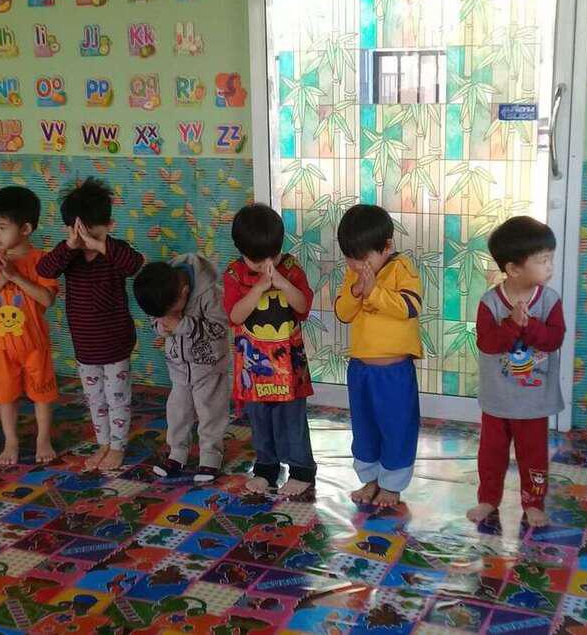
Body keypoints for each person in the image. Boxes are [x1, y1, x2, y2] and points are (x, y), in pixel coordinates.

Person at [37, 178, 144, 470]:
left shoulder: (115, 251)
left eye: (92, 234)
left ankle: (118, 446)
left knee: (117, 398)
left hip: (116, 342)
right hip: (85, 346)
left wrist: (101, 244)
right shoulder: (68, 255)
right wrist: (69, 246)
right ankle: (104, 443)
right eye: (78, 232)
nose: (85, 240)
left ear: (109, 226)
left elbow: (135, 265)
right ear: (69, 229)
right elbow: (44, 269)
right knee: (95, 399)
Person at [466, 216, 565, 528]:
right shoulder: (489, 303)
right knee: (491, 454)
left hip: (534, 402)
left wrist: (529, 325)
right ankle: (488, 499)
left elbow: (554, 339)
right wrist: (511, 324)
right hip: (497, 400)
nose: (550, 267)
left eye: (550, 259)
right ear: (513, 269)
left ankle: (533, 502)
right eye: (543, 260)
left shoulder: (549, 300)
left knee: (533, 456)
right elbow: (487, 343)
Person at [223, 203, 316, 497]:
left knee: (292, 418)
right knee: (260, 419)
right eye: (257, 261)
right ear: (241, 251)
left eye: (272, 257)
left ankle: (302, 469)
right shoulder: (235, 274)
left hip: (288, 365)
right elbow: (235, 316)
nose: (266, 265)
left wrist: (282, 283)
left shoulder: (290, 268)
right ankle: (266, 468)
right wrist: (258, 288)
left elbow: (302, 307)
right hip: (254, 367)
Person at [334, 204, 423, 508]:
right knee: (364, 428)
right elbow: (343, 313)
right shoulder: (353, 274)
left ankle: (392, 485)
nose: (356, 265)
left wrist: (374, 292)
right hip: (360, 370)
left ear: (387, 246)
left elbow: (409, 307)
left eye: (363, 258)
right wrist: (356, 291)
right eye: (350, 258)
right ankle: (370, 479)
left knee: (396, 427)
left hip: (394, 372)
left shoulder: (402, 268)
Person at [0, 187, 59, 465]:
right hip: (2, 348)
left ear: (25, 229)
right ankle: (11, 440)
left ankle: (43, 439)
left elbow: (47, 299)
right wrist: (1, 279)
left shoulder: (42, 260)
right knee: (5, 396)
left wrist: (16, 276)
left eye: (2, 227)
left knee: (42, 394)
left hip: (35, 345)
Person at [133, 256, 230, 483]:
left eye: (170, 311)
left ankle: (210, 457)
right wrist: (161, 327)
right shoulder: (160, 291)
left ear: (184, 293)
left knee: (211, 412)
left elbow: (221, 327)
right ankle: (177, 453)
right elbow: (156, 318)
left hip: (209, 368)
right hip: (178, 370)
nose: (166, 316)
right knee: (177, 412)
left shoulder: (210, 293)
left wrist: (183, 325)